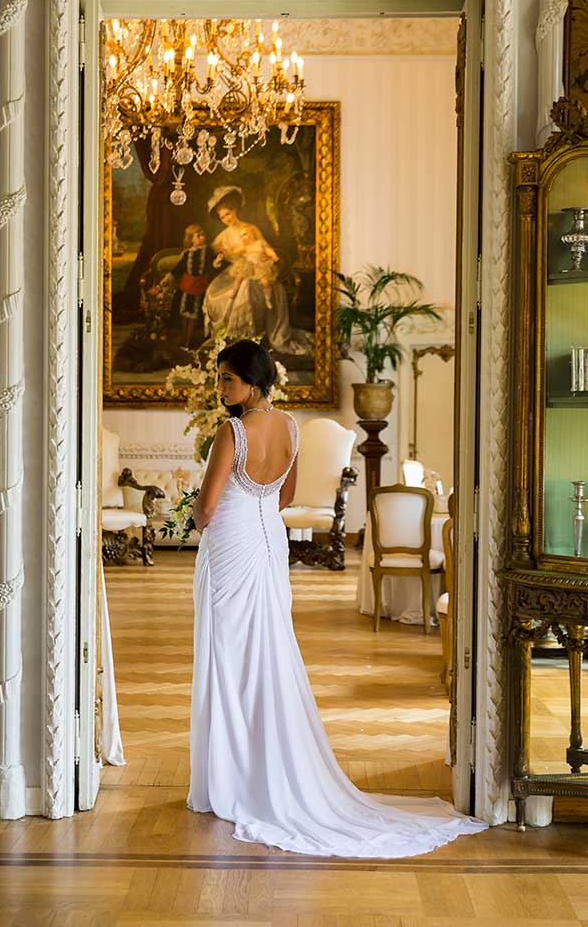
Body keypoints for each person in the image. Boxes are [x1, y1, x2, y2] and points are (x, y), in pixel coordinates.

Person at [186, 338, 487, 858]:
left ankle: (230, 780)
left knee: (227, 653)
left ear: (253, 382)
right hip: (267, 540)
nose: (220, 387)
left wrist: (191, 514)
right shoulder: (289, 427)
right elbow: (284, 496)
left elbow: (207, 507)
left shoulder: (230, 431)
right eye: (218, 378)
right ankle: (263, 768)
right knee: (267, 649)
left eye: (227, 379)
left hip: (231, 540)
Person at [203, 186, 312, 355]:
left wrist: (269, 258)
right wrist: (218, 260)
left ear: (235, 210)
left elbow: (264, 247)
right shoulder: (222, 237)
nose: (226, 219)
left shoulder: (251, 228)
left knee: (249, 286)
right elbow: (216, 257)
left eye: (228, 214)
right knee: (222, 291)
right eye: (222, 216)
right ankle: (233, 337)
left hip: (257, 270)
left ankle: (250, 336)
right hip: (236, 272)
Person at [171, 224, 221, 349]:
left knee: (193, 314)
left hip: (199, 285)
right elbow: (179, 268)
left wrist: (217, 262)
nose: (202, 238)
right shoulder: (187, 253)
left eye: (203, 235)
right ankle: (184, 337)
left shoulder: (207, 251)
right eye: (198, 236)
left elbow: (211, 265)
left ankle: (189, 341)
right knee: (184, 313)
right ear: (191, 239)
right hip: (186, 285)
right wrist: (168, 277)